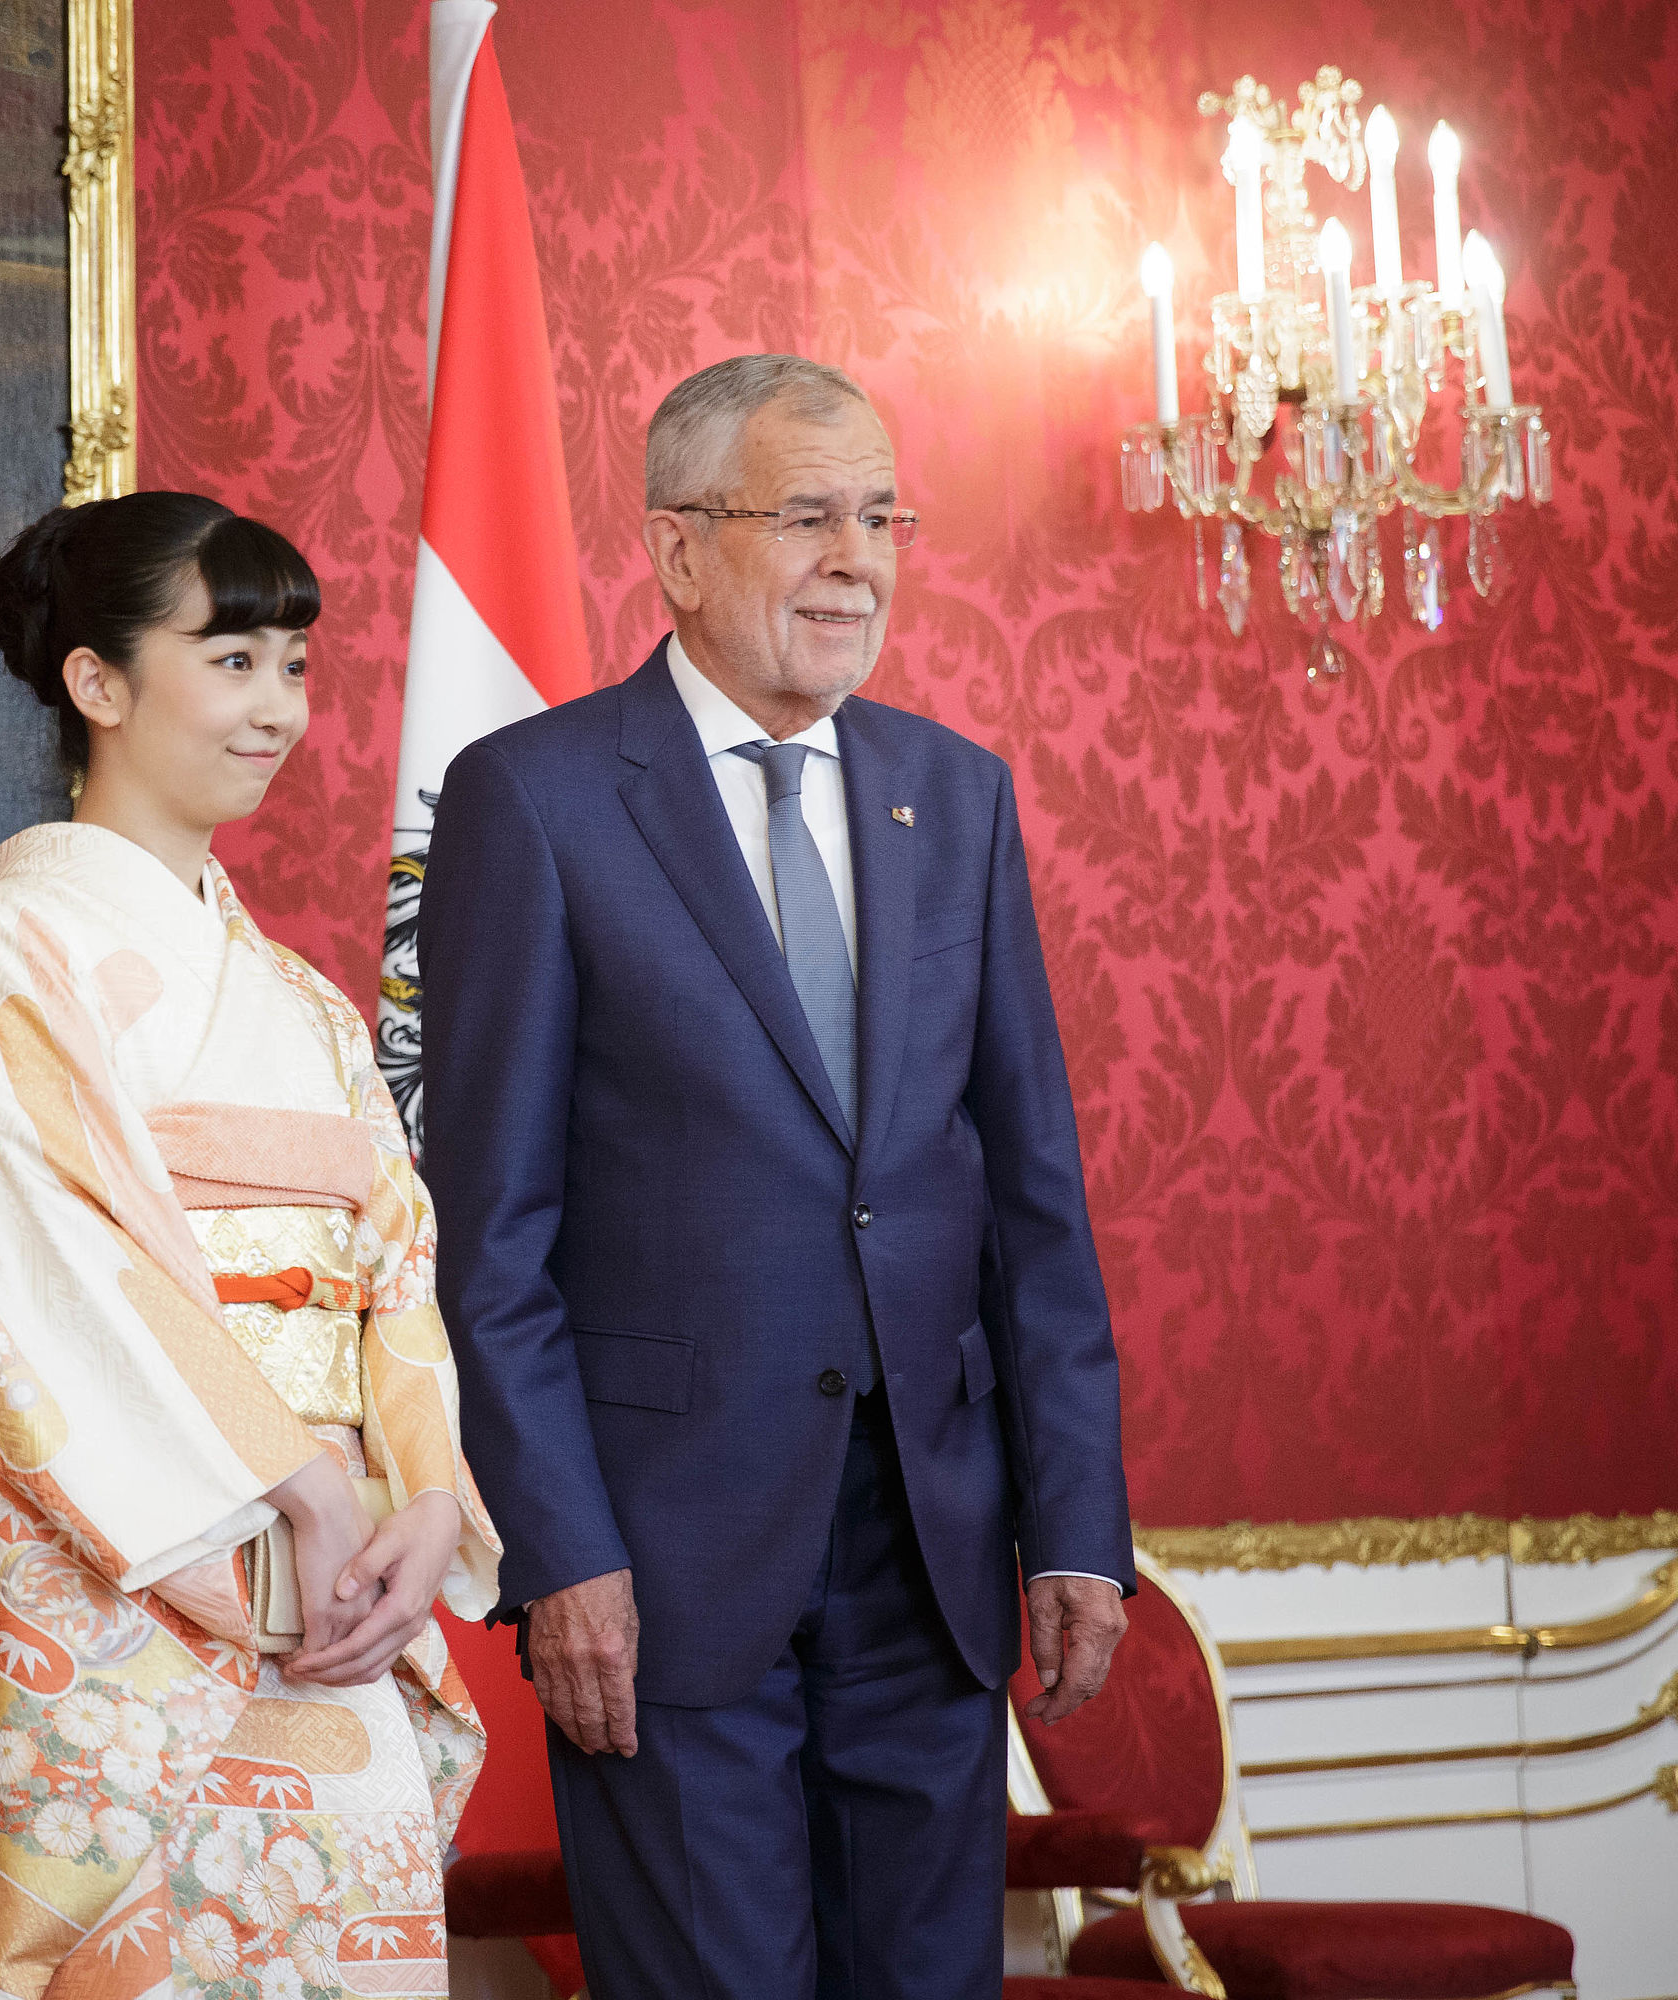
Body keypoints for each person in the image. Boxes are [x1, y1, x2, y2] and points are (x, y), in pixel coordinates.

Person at [418, 354, 1133, 1999]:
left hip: (931, 1551)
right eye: (808, 516)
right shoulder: (534, 801)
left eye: (880, 517)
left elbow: (1033, 1196)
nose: (856, 561)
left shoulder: (955, 794)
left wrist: (1077, 1524)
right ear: (678, 549)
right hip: (662, 1563)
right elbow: (493, 1239)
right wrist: (559, 1552)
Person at [0, 492, 498, 2000]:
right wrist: (302, 1491)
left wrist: (421, 1500)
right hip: (114, 1580)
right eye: (233, 660)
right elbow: (49, 1267)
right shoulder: (7, 949)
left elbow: (393, 1270)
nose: (279, 709)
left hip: (333, 1577)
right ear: (98, 681)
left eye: (295, 666)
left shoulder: (306, 1003)